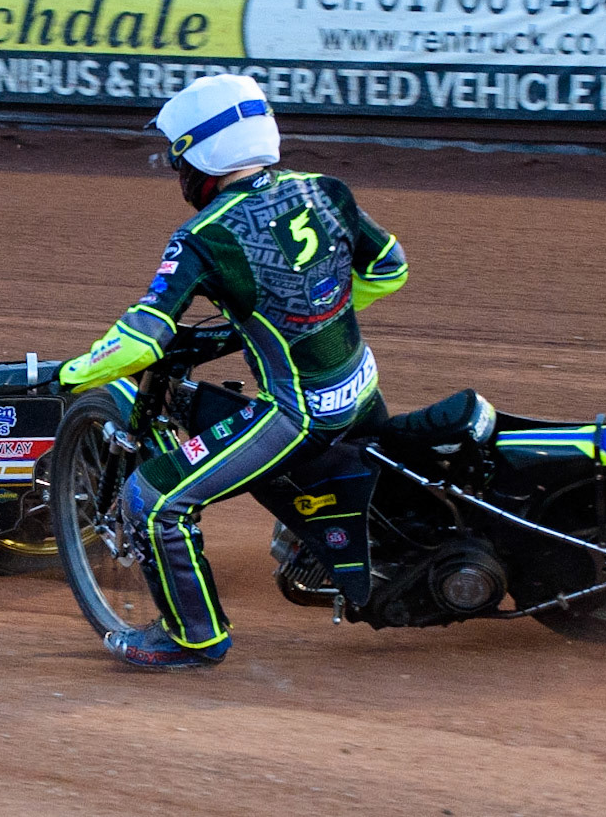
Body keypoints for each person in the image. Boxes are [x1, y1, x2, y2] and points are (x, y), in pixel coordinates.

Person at [58, 74, 409, 668]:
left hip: (299, 415)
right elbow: (388, 270)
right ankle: (312, 544)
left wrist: (71, 374)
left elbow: (140, 343)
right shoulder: (325, 189)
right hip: (363, 387)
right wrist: (303, 319)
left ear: (203, 159)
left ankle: (193, 637)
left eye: (180, 164)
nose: (179, 178)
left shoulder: (203, 236)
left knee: (155, 496)